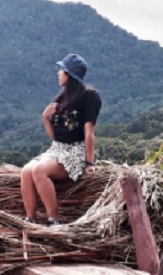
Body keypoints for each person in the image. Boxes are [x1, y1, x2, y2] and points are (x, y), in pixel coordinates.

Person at [20, 53, 102, 225]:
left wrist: (90, 163)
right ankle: (30, 219)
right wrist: (45, 118)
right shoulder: (62, 98)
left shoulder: (89, 96)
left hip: (75, 151)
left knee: (39, 170)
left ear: (69, 74)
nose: (58, 73)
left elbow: (89, 132)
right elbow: (54, 137)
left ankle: (54, 219)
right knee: (26, 171)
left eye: (61, 70)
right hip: (57, 149)